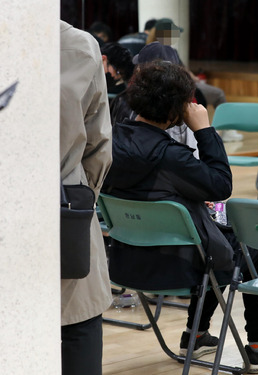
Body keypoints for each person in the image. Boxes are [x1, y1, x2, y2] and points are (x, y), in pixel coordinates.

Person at [103, 61, 258, 373]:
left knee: (214, 241)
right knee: (255, 251)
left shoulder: (108, 142)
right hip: (177, 266)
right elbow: (221, 186)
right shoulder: (170, 157)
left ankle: (198, 334)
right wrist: (204, 130)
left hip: (126, 263)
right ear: (178, 110)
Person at [60, 20, 113, 375]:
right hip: (64, 202)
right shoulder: (78, 45)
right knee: (78, 317)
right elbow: (99, 144)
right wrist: (81, 199)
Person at [146, 17, 242, 142]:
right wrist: (195, 79)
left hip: (165, 89)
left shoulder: (149, 50)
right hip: (179, 88)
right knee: (219, 94)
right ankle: (228, 130)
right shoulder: (168, 51)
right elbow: (182, 72)